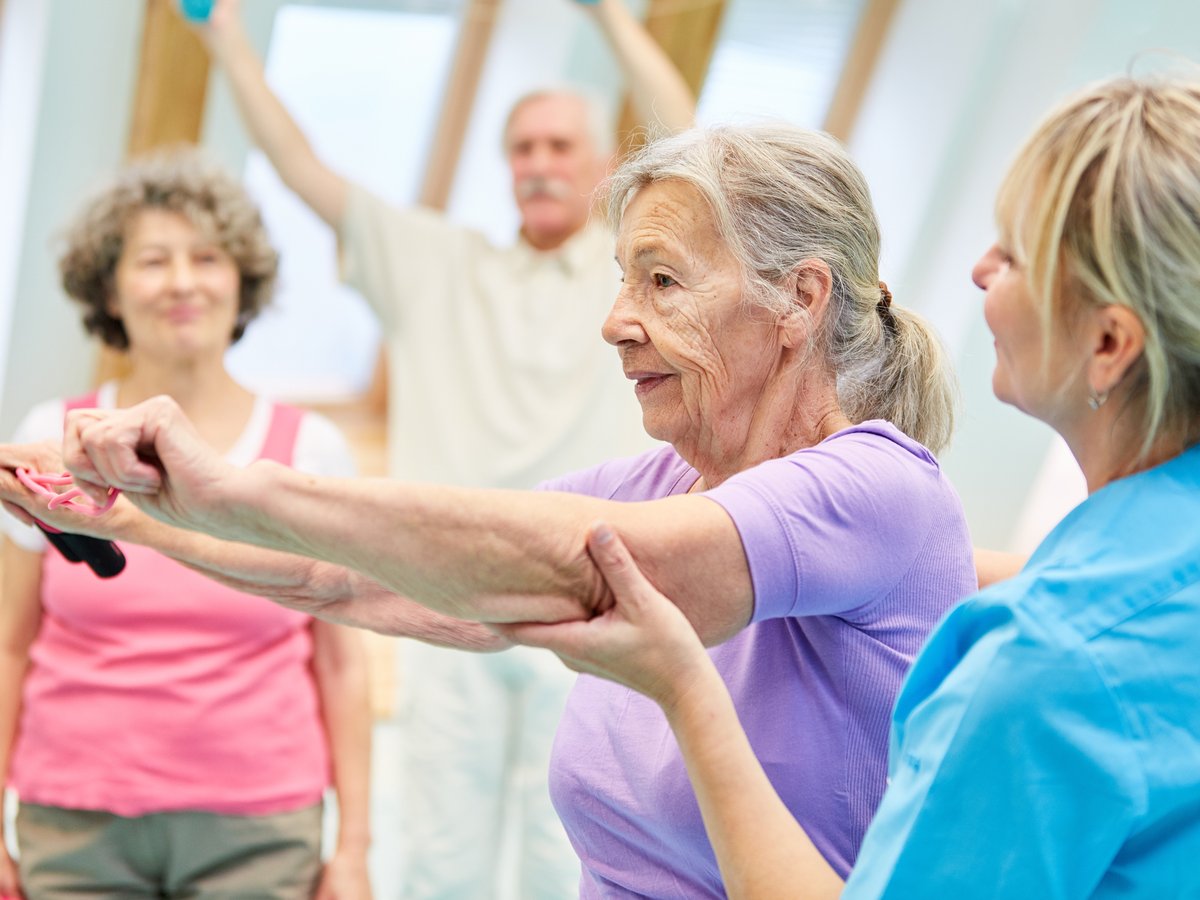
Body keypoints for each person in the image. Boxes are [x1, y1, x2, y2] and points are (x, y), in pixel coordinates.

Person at [4, 122, 978, 897]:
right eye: (623, 280)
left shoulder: (876, 488)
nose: (616, 320)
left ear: (800, 299)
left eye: (663, 282)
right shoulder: (655, 484)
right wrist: (129, 519)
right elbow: (343, 578)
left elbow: (588, 566)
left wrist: (231, 486)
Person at [500, 74, 1200, 898]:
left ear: (1111, 344)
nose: (978, 271)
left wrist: (685, 689)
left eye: (1011, 254)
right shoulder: (1135, 587)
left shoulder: (1040, 665)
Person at [190, 0, 696, 893]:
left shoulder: (631, 274)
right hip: (446, 600)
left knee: (572, 853)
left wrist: (614, 18)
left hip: (599, 600)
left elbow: (687, 140)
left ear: (604, 166)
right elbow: (302, 168)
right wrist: (224, 37)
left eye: (559, 146)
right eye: (523, 149)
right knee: (440, 858)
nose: (539, 165)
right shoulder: (434, 265)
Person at [0, 150, 373, 900]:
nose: (181, 281)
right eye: (153, 260)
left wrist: (354, 851)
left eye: (206, 257)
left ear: (241, 282)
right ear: (108, 285)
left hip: (261, 829)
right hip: (73, 824)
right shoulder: (50, 436)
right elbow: (8, 644)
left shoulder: (311, 450)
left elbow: (341, 664)